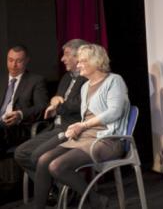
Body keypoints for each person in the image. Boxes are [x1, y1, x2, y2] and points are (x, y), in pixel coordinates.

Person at [32, 44, 129, 209]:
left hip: (107, 139)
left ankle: (95, 199)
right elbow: (86, 117)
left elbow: (114, 112)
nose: (78, 65)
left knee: (57, 166)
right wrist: (77, 127)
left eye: (82, 61)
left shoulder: (114, 80)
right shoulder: (85, 87)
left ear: (96, 61)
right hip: (84, 137)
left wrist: (82, 125)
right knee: (43, 160)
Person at [15, 39, 88, 189]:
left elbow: (78, 106)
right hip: (56, 126)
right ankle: (55, 189)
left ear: (78, 56)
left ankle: (63, 187)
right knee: (21, 153)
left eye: (66, 54)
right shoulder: (67, 77)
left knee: (37, 156)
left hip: (71, 128)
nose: (62, 59)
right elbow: (55, 100)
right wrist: (56, 101)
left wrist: (58, 104)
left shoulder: (87, 77)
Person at [1, 45, 48, 154]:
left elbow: (42, 107)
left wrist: (20, 114)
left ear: (27, 61)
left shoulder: (36, 81)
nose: (13, 65)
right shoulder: (1, 79)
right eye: (10, 60)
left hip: (17, 128)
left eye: (19, 61)